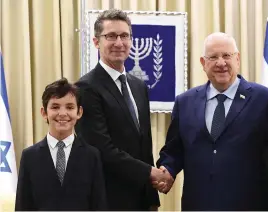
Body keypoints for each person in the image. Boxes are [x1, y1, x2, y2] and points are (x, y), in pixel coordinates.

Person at [155, 32, 268, 210]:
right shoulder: (185, 102)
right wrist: (167, 169)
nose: (221, 63)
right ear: (203, 64)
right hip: (198, 204)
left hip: (250, 204)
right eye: (213, 57)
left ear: (237, 59)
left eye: (226, 56)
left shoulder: (265, 99)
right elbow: (174, 150)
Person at [75, 9, 165, 211]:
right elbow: (101, 148)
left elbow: (144, 145)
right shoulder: (86, 88)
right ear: (96, 42)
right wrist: (150, 173)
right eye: (111, 36)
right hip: (107, 199)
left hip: (140, 200)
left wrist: (152, 198)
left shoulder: (138, 85)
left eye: (124, 36)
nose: (119, 42)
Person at [15, 78, 107, 211]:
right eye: (55, 107)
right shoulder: (29, 156)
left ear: (79, 112)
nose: (62, 113)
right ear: (44, 113)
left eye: (70, 107)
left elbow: (99, 205)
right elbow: (22, 206)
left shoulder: (92, 156)